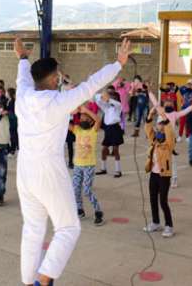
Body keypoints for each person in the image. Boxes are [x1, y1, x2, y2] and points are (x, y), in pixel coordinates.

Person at [14, 37, 129, 286]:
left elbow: (22, 78)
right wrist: (118, 64)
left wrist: (23, 58)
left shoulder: (22, 97)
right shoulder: (58, 102)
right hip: (48, 170)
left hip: (24, 170)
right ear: (55, 79)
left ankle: (27, 280)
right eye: (59, 75)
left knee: (33, 229)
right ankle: (43, 280)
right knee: (68, 228)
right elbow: (91, 86)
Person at [143, 105, 176, 238]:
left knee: (163, 200)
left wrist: (164, 117)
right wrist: (150, 115)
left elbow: (170, 132)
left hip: (164, 175)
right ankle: (155, 222)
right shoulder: (154, 141)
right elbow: (148, 129)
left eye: (161, 128)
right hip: (154, 174)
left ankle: (169, 226)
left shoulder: (168, 144)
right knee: (152, 198)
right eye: (158, 127)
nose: (158, 130)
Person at [71, 106, 104, 226]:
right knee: (75, 189)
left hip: (88, 165)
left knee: (86, 190)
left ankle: (98, 211)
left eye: (85, 118)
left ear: (90, 121)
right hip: (77, 165)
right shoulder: (77, 130)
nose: (81, 120)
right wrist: (73, 111)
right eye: (81, 118)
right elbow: (64, 120)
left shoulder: (93, 131)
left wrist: (86, 110)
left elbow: (98, 120)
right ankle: (80, 209)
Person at [95, 90, 124, 178]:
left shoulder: (118, 106)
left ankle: (118, 171)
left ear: (116, 98)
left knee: (115, 149)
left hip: (115, 129)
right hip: (108, 130)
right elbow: (98, 100)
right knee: (104, 149)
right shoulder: (106, 108)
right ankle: (103, 169)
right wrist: (102, 96)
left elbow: (113, 102)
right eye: (110, 96)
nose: (110, 98)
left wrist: (108, 98)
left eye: (113, 97)